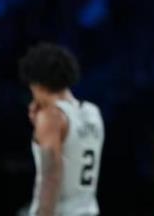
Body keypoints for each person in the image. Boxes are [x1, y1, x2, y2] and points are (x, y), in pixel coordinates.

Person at [19, 42, 105, 216]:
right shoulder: (93, 112)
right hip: (88, 209)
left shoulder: (51, 117)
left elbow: (51, 177)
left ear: (37, 84)